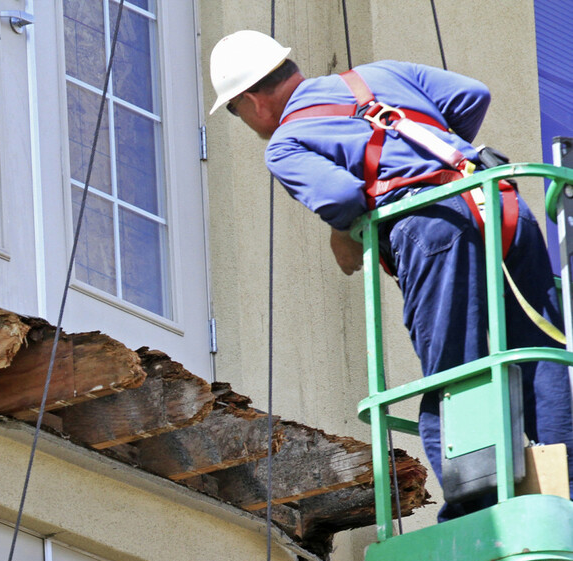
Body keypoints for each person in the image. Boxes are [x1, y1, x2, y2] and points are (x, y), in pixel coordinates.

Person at [210, 31, 573, 520]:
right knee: (536, 351)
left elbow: (340, 197)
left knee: (453, 371)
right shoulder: (378, 76)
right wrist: (436, 157)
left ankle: (475, 513)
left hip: (433, 226)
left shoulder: (286, 142)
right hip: (500, 202)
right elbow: (472, 95)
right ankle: (565, 484)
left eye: (235, 112)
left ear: (250, 101)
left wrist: (345, 232)